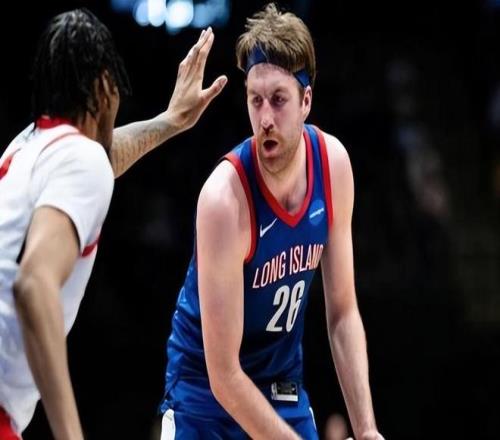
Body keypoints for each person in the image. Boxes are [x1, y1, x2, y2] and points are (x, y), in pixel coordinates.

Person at [159, 3, 384, 440]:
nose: (265, 119)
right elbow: (224, 376)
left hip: (280, 388)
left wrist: (366, 428)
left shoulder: (333, 166)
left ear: (306, 101)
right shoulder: (224, 200)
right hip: (204, 398)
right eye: (255, 100)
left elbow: (342, 313)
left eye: (279, 100)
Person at [0, 8, 226, 439]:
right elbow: (33, 284)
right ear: (104, 87)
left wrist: (170, 120)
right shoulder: (81, 159)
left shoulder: (25, 147)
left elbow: (105, 156)